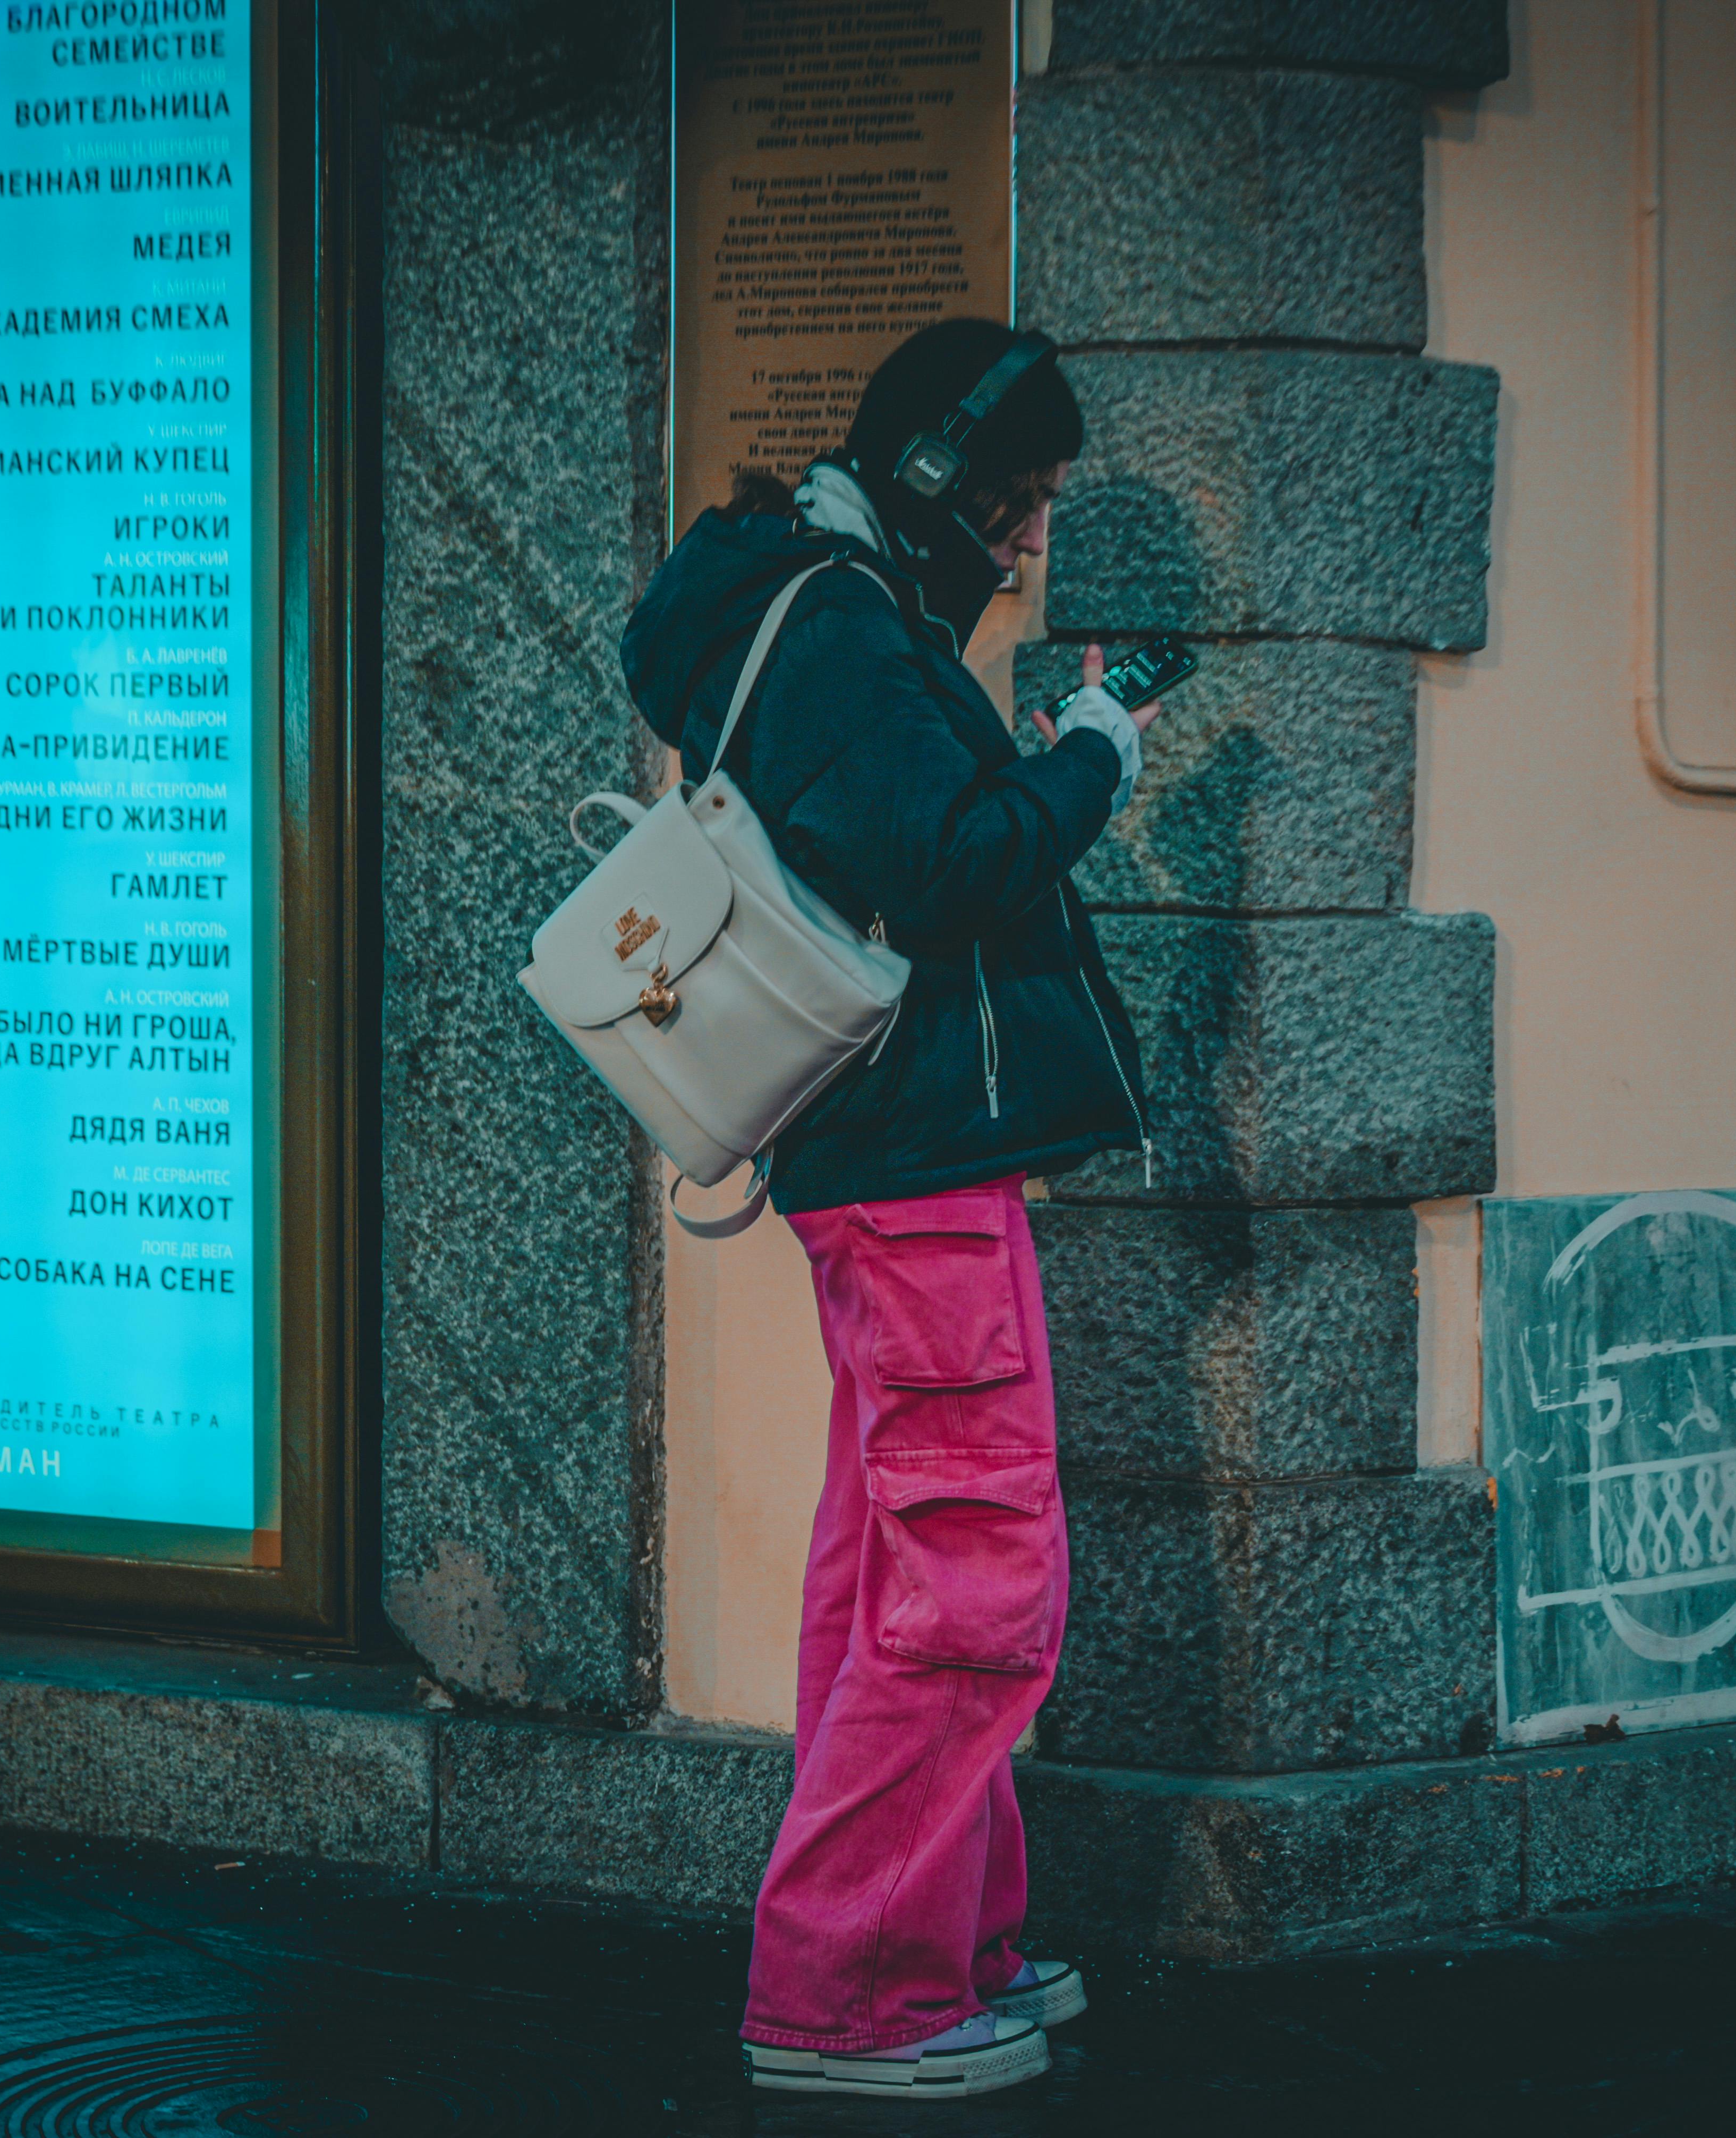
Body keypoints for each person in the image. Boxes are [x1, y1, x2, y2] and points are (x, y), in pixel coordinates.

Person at [619, 319, 1163, 2099]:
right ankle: (852, 1994)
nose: (1024, 549)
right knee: (976, 1584)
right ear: (935, 480)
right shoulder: (846, 623)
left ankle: (949, 1945)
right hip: (917, 1172)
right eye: (1015, 507)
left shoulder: (834, 608)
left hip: (905, 1170)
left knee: (894, 1573)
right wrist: (1091, 754)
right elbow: (948, 868)